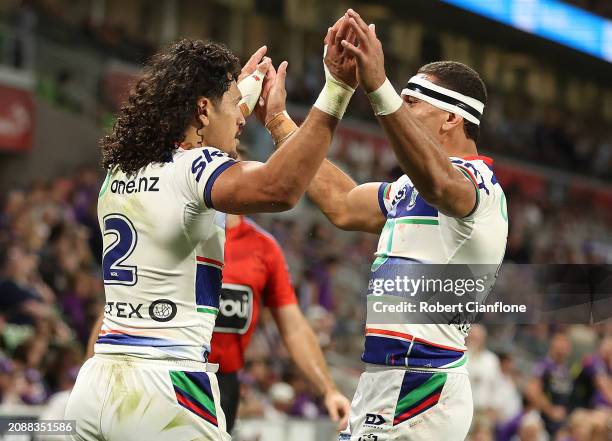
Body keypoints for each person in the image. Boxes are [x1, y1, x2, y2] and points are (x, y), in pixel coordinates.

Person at [65, 27, 359, 441]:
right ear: (202, 111)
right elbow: (280, 188)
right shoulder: (193, 168)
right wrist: (336, 93)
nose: (242, 118)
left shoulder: (122, 170)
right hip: (165, 390)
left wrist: (242, 90)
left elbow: (213, 125)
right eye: (233, 107)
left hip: (96, 384)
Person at [269, 9, 508, 441]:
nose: (400, 108)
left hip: (422, 382)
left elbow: (439, 181)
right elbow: (341, 202)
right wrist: (279, 122)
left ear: (452, 119)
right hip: (387, 381)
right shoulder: (406, 187)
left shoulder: (479, 187)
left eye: (412, 101)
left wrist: (379, 85)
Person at [210, 211, 350, 433]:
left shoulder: (263, 246)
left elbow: (294, 327)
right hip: (169, 372)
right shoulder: (175, 228)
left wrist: (328, 389)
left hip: (223, 384)